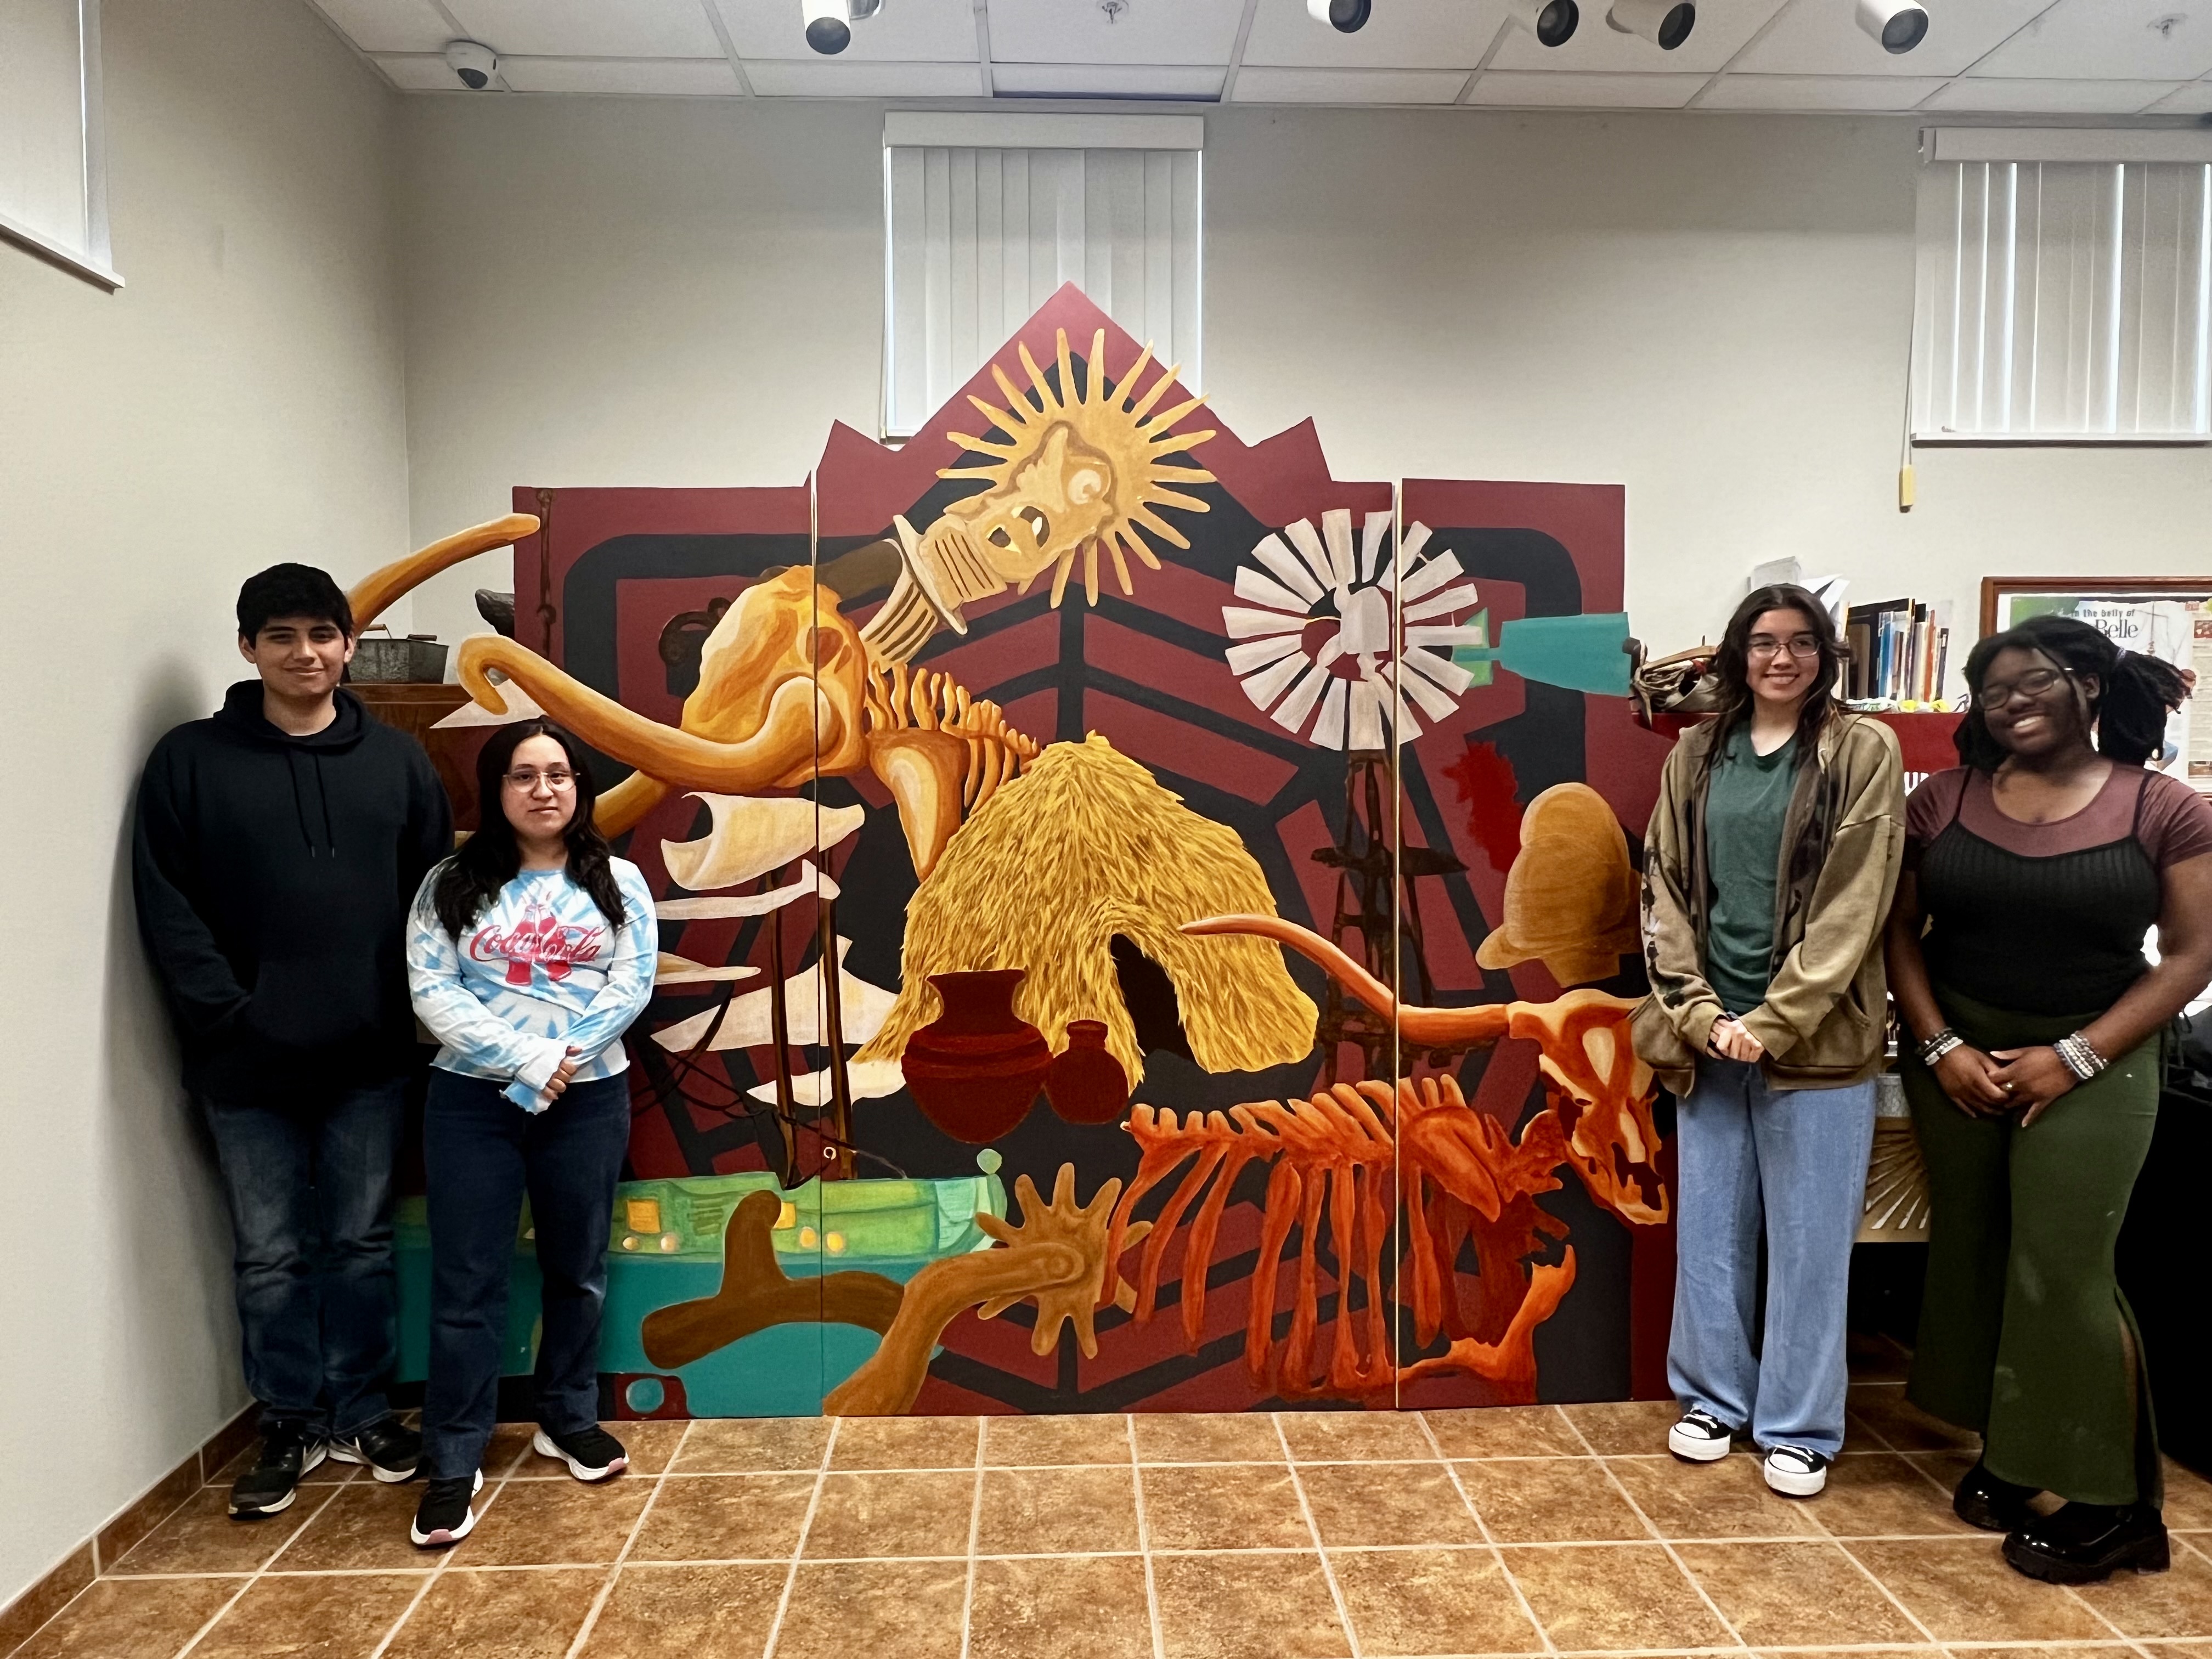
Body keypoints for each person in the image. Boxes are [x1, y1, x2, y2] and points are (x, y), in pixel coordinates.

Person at [1884, 614, 2212, 1584]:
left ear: (2089, 688)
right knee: (1978, 1249)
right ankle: (2014, 1456)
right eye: (1992, 692)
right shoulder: (1941, 800)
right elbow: (1902, 936)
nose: (2012, 703)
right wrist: (1940, 1045)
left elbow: (2192, 956)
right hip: (1957, 1055)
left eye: (2032, 682)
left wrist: (2074, 1056)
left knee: (2063, 1265)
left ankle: (2119, 1507)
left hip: (2100, 1053)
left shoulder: (2165, 806)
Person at [133, 565, 451, 1517]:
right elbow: (167, 903)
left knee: (356, 1243)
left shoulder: (398, 764)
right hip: (246, 1064)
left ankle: (361, 1411)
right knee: (269, 1252)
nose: (305, 653)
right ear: (247, 649)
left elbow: (433, 901)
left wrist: (408, 1020)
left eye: (322, 633)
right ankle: (287, 1419)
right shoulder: (189, 762)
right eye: (282, 637)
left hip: (370, 1060)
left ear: (350, 645)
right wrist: (230, 1014)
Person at [1634, 583, 1905, 1498]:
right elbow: (1661, 884)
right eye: (1762, 642)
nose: (1780, 659)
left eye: (1800, 642)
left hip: (1818, 1047)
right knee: (1709, 1232)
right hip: (1705, 1040)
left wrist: (1774, 1020)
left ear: (1827, 654)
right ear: (1736, 655)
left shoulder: (1864, 750)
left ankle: (1800, 1426)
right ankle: (1713, 1400)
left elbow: (1855, 901)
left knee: (1810, 1242)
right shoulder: (1696, 753)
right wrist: (1699, 1011)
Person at [404, 719, 656, 1547]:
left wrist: (562, 1063)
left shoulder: (617, 880)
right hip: (472, 1105)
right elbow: (431, 991)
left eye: (558, 773)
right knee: (467, 1283)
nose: (543, 789)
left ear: (579, 786)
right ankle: (454, 1457)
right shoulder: (450, 881)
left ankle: (567, 1419)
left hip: (588, 1101)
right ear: (495, 789)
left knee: (576, 1272)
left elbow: (632, 982)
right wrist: (526, 1059)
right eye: (523, 775)